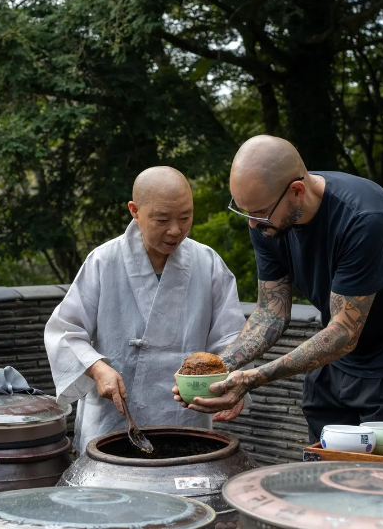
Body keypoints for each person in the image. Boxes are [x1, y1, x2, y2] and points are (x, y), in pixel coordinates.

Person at [177, 136, 383, 444]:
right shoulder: (267, 218)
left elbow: (344, 332)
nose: (252, 224)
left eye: (259, 213)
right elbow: (271, 312)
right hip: (335, 364)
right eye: (245, 211)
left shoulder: (364, 218)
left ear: (297, 191)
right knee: (321, 473)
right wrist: (219, 370)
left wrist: (253, 378)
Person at [45, 166, 246, 453]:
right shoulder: (104, 262)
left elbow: (230, 340)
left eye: (186, 217)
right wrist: (97, 368)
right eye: (162, 219)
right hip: (113, 419)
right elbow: (65, 331)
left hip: (185, 417)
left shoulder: (208, 264)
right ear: (135, 211)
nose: (175, 230)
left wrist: (233, 381)